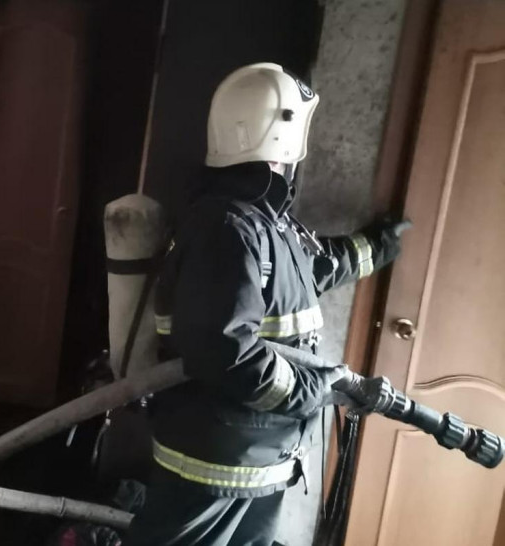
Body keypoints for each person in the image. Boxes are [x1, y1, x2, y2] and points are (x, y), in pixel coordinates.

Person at [124, 63, 409, 546]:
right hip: (216, 464)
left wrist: (377, 246)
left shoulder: (263, 220)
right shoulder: (226, 229)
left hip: (256, 455)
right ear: (284, 133)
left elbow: (311, 270)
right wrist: (313, 389)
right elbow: (225, 352)